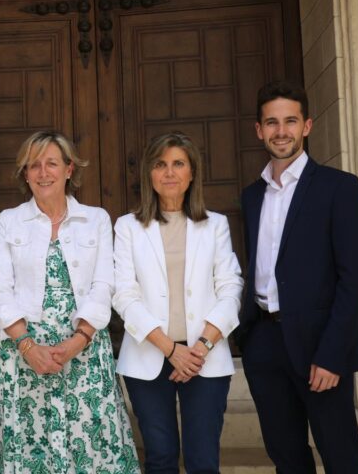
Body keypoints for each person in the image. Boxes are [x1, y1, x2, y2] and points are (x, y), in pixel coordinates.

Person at [238, 80, 358, 473]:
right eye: (272, 122)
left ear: (307, 126)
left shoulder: (340, 188)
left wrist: (332, 354)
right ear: (258, 130)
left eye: (290, 121)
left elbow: (354, 280)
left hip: (320, 346)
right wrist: (249, 338)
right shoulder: (251, 196)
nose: (282, 131)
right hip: (264, 341)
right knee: (287, 458)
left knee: (341, 457)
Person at [0, 131, 140, 473]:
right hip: (23, 354)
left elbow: (104, 284)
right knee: (29, 452)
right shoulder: (8, 221)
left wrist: (78, 340)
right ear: (25, 173)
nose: (43, 173)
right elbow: (0, 288)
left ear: (69, 169)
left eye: (52, 164)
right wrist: (28, 347)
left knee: (92, 449)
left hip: (84, 351)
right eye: (34, 165)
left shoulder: (97, 219)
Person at [113, 133, 243, 473]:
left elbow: (230, 287)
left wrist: (200, 347)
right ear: (149, 175)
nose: (169, 172)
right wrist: (171, 349)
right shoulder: (127, 227)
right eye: (160, 164)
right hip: (149, 356)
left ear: (192, 173)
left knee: (203, 461)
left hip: (205, 358)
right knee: (160, 457)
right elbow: (124, 294)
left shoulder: (215, 225)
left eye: (178, 164)